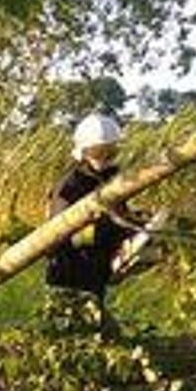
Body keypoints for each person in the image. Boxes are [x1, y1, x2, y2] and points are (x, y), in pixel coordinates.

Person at [45, 113, 145, 332]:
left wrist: (136, 227)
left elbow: (120, 216)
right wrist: (102, 232)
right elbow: (57, 240)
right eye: (99, 152)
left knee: (97, 331)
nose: (105, 158)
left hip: (97, 270)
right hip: (69, 274)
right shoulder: (68, 188)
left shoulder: (113, 179)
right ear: (83, 152)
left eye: (111, 152)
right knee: (69, 335)